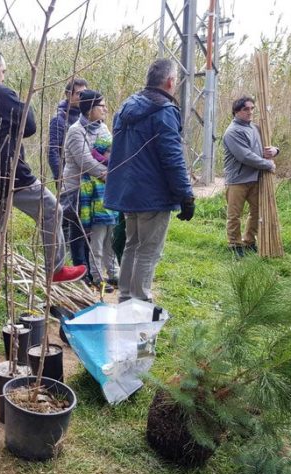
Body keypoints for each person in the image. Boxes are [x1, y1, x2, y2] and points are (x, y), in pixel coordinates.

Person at [0, 48, 86, 283]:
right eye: (3, 71)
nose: (3, 75)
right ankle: (55, 269)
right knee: (52, 209)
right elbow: (31, 125)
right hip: (11, 175)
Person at [104, 58, 195, 302]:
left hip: (128, 193)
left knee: (132, 245)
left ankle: (125, 298)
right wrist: (185, 194)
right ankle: (140, 301)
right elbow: (172, 157)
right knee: (148, 250)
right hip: (153, 195)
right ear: (170, 81)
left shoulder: (125, 108)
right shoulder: (164, 111)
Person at [64, 89, 118, 290]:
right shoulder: (76, 131)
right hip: (78, 188)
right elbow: (85, 160)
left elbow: (113, 152)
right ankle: (83, 270)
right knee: (79, 231)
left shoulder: (103, 128)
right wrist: (106, 174)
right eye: (101, 106)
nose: (105, 109)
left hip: (101, 190)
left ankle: (107, 271)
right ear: (89, 109)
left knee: (103, 232)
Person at [223, 96, 279, 257]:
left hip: (255, 178)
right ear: (236, 111)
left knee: (257, 211)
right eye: (246, 109)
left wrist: (276, 150)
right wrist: (268, 164)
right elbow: (245, 156)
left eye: (252, 108)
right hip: (237, 180)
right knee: (234, 214)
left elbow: (266, 146)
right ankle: (234, 244)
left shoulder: (255, 128)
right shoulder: (232, 132)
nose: (250, 112)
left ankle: (249, 241)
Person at [49, 78, 90, 270]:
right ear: (68, 95)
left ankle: (81, 265)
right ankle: (60, 266)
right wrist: (60, 179)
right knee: (66, 221)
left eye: (85, 94)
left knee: (83, 224)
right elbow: (53, 152)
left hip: (86, 179)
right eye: (78, 94)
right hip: (69, 179)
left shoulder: (88, 117)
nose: (82, 97)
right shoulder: (59, 119)